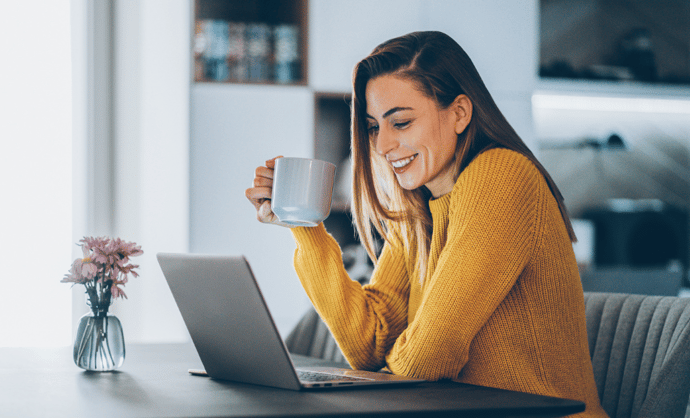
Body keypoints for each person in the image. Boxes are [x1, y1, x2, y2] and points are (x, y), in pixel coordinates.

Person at [246, 31, 606, 417]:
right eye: (373, 127)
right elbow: (369, 345)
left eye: (400, 123)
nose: (382, 146)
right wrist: (304, 225)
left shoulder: (502, 175)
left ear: (460, 113)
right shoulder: (421, 209)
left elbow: (433, 352)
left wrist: (375, 384)